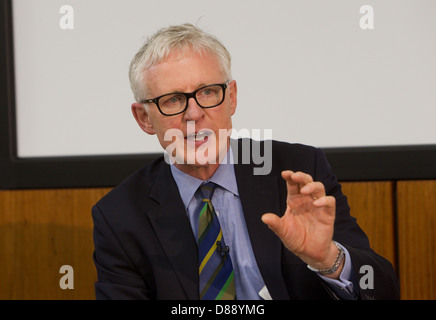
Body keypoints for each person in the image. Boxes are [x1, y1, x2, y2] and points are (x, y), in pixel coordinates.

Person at [92, 23, 400, 300]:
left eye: (208, 92)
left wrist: (328, 260)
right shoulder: (120, 217)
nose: (193, 114)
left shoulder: (299, 170)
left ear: (232, 98)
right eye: (172, 100)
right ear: (144, 118)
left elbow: (382, 289)